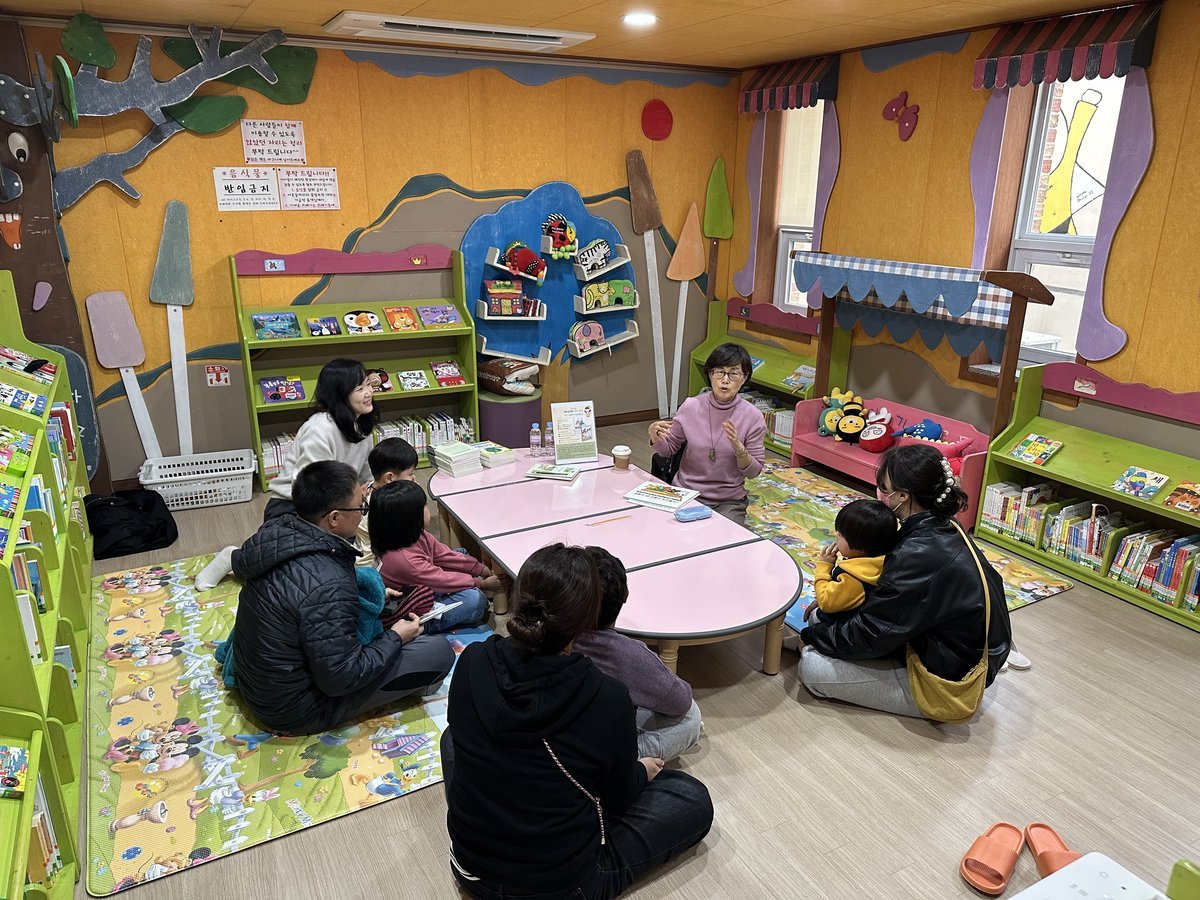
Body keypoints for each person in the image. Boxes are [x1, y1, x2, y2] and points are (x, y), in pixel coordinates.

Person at [443, 544, 713, 900]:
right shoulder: (606, 697)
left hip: (470, 868)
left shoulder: (473, 659)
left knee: (452, 738)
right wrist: (640, 771)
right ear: (588, 621)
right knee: (691, 797)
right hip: (561, 886)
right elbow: (617, 798)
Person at [227, 460, 454, 734]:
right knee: (437, 652)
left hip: (262, 684)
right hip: (296, 709)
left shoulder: (277, 535)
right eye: (360, 507)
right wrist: (396, 637)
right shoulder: (329, 582)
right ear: (334, 518)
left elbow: (302, 595)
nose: (363, 514)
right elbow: (342, 677)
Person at [796, 445, 1012, 719]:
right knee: (822, 618)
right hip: (943, 644)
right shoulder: (941, 525)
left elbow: (871, 635)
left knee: (812, 668)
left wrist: (812, 636)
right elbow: (886, 602)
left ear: (903, 496)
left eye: (884, 488)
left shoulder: (919, 553)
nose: (880, 494)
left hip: (947, 681)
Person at [196, 357, 379, 591]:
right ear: (340, 394)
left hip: (338, 509)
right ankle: (232, 558)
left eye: (368, 385)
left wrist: (366, 495)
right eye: (359, 388)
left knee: (330, 566)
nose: (368, 393)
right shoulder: (320, 428)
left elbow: (364, 476)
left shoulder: (362, 428)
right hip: (295, 506)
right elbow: (310, 487)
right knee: (288, 568)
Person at [573, 546, 702, 762]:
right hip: (596, 755)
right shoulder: (627, 654)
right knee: (691, 718)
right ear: (625, 596)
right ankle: (627, 764)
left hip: (559, 739)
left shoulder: (557, 635)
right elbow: (681, 701)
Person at [647, 342, 765, 525]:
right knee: (665, 530)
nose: (725, 380)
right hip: (685, 492)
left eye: (734, 373)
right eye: (719, 372)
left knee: (726, 538)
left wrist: (740, 451)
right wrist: (655, 437)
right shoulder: (691, 406)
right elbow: (668, 450)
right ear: (710, 375)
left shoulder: (753, 417)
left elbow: (753, 472)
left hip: (728, 500)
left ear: (744, 378)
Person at [369, 480, 499, 635]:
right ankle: (423, 627)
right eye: (424, 506)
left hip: (423, 584)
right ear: (410, 517)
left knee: (461, 553)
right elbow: (441, 580)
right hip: (410, 607)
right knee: (475, 600)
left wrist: (481, 569)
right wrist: (481, 583)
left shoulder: (413, 534)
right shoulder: (405, 560)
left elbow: (444, 555)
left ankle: (462, 588)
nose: (427, 509)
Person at [803, 499, 899, 621]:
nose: (836, 536)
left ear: (861, 547)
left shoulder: (854, 578)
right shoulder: (877, 560)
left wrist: (824, 566)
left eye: (840, 535)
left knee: (814, 616)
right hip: (844, 609)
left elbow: (826, 602)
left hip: (834, 625)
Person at [355, 437, 419, 568]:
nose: (414, 478)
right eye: (410, 474)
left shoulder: (369, 488)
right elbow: (417, 529)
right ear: (389, 478)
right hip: (374, 566)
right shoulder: (386, 506)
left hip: (362, 557)